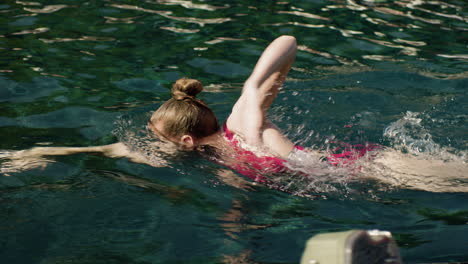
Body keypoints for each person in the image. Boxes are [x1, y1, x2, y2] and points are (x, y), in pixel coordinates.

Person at [1, 35, 467, 193]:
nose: (151, 143)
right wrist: (43, 151)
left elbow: (287, 41)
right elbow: (112, 150)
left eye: (157, 137)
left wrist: (252, 87)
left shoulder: (243, 127)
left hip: (377, 169)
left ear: (185, 140)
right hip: (362, 181)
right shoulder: (209, 159)